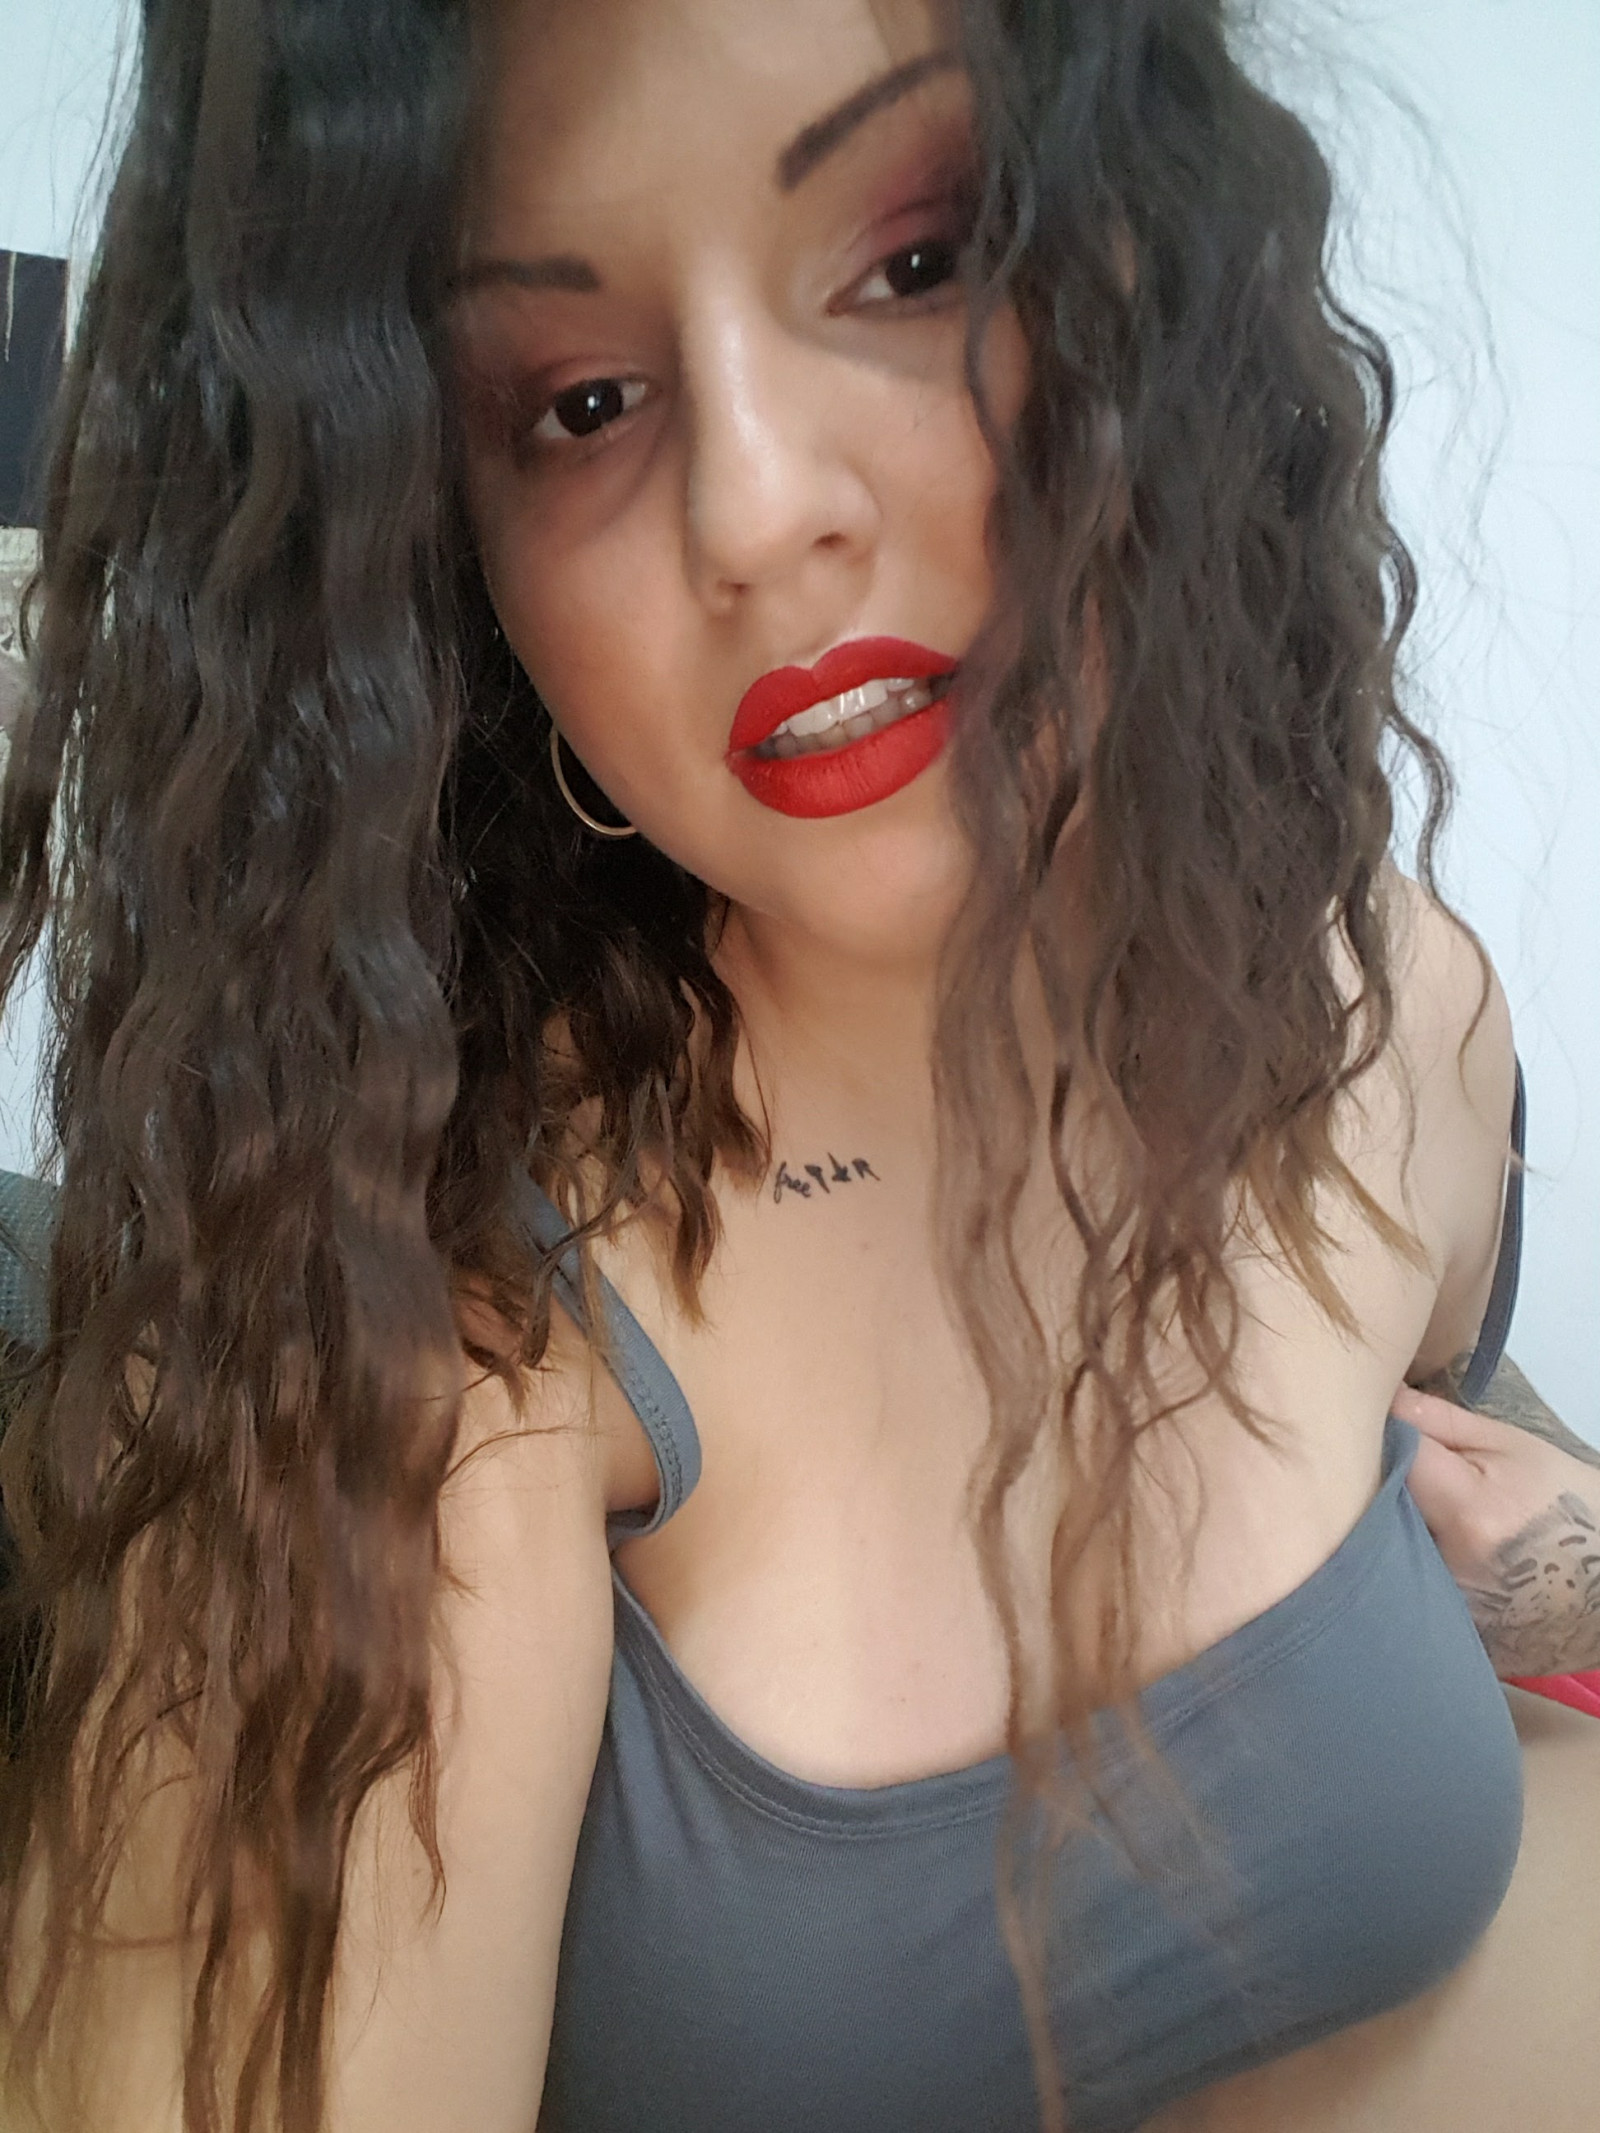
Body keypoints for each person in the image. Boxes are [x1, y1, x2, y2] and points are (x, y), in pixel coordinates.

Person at [0, 1, 1595, 2130]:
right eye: (577, 404)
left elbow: (1449, 1459)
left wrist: (1567, 1553)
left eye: (916, 262)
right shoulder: (413, 1340)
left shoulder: (1381, 1000)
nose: (753, 509)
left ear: (1160, 270)